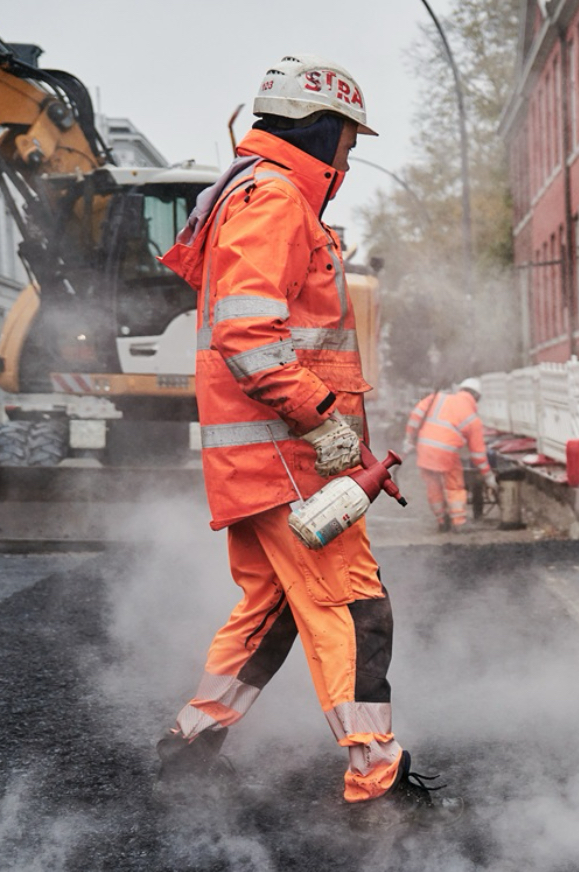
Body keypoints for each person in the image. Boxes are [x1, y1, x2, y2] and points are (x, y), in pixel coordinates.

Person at [153, 54, 459, 818]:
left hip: (268, 460)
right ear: (320, 131)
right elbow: (250, 335)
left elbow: (272, 342)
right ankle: (377, 781)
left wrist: (347, 445)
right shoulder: (278, 200)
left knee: (273, 607)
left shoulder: (256, 194)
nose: (347, 163)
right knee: (355, 607)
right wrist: (325, 426)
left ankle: (191, 743)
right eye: (346, 144)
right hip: (287, 458)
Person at [404, 378, 495, 532]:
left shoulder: (437, 398)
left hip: (425, 449)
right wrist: (488, 475)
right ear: (477, 397)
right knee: (454, 486)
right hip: (447, 452)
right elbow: (478, 454)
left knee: (433, 486)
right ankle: (459, 522)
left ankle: (441, 520)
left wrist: (409, 439)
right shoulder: (473, 419)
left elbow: (416, 415)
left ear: (460, 390)